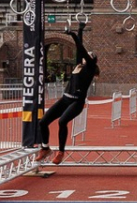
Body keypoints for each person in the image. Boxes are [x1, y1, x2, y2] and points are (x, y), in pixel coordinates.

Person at [36, 21, 96, 164]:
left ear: (92, 58)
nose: (85, 54)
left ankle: (61, 151)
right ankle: (45, 148)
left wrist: (74, 34)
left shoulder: (91, 68)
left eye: (89, 54)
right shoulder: (78, 65)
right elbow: (79, 48)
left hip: (77, 102)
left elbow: (81, 48)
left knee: (62, 121)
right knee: (43, 122)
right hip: (65, 99)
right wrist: (80, 30)